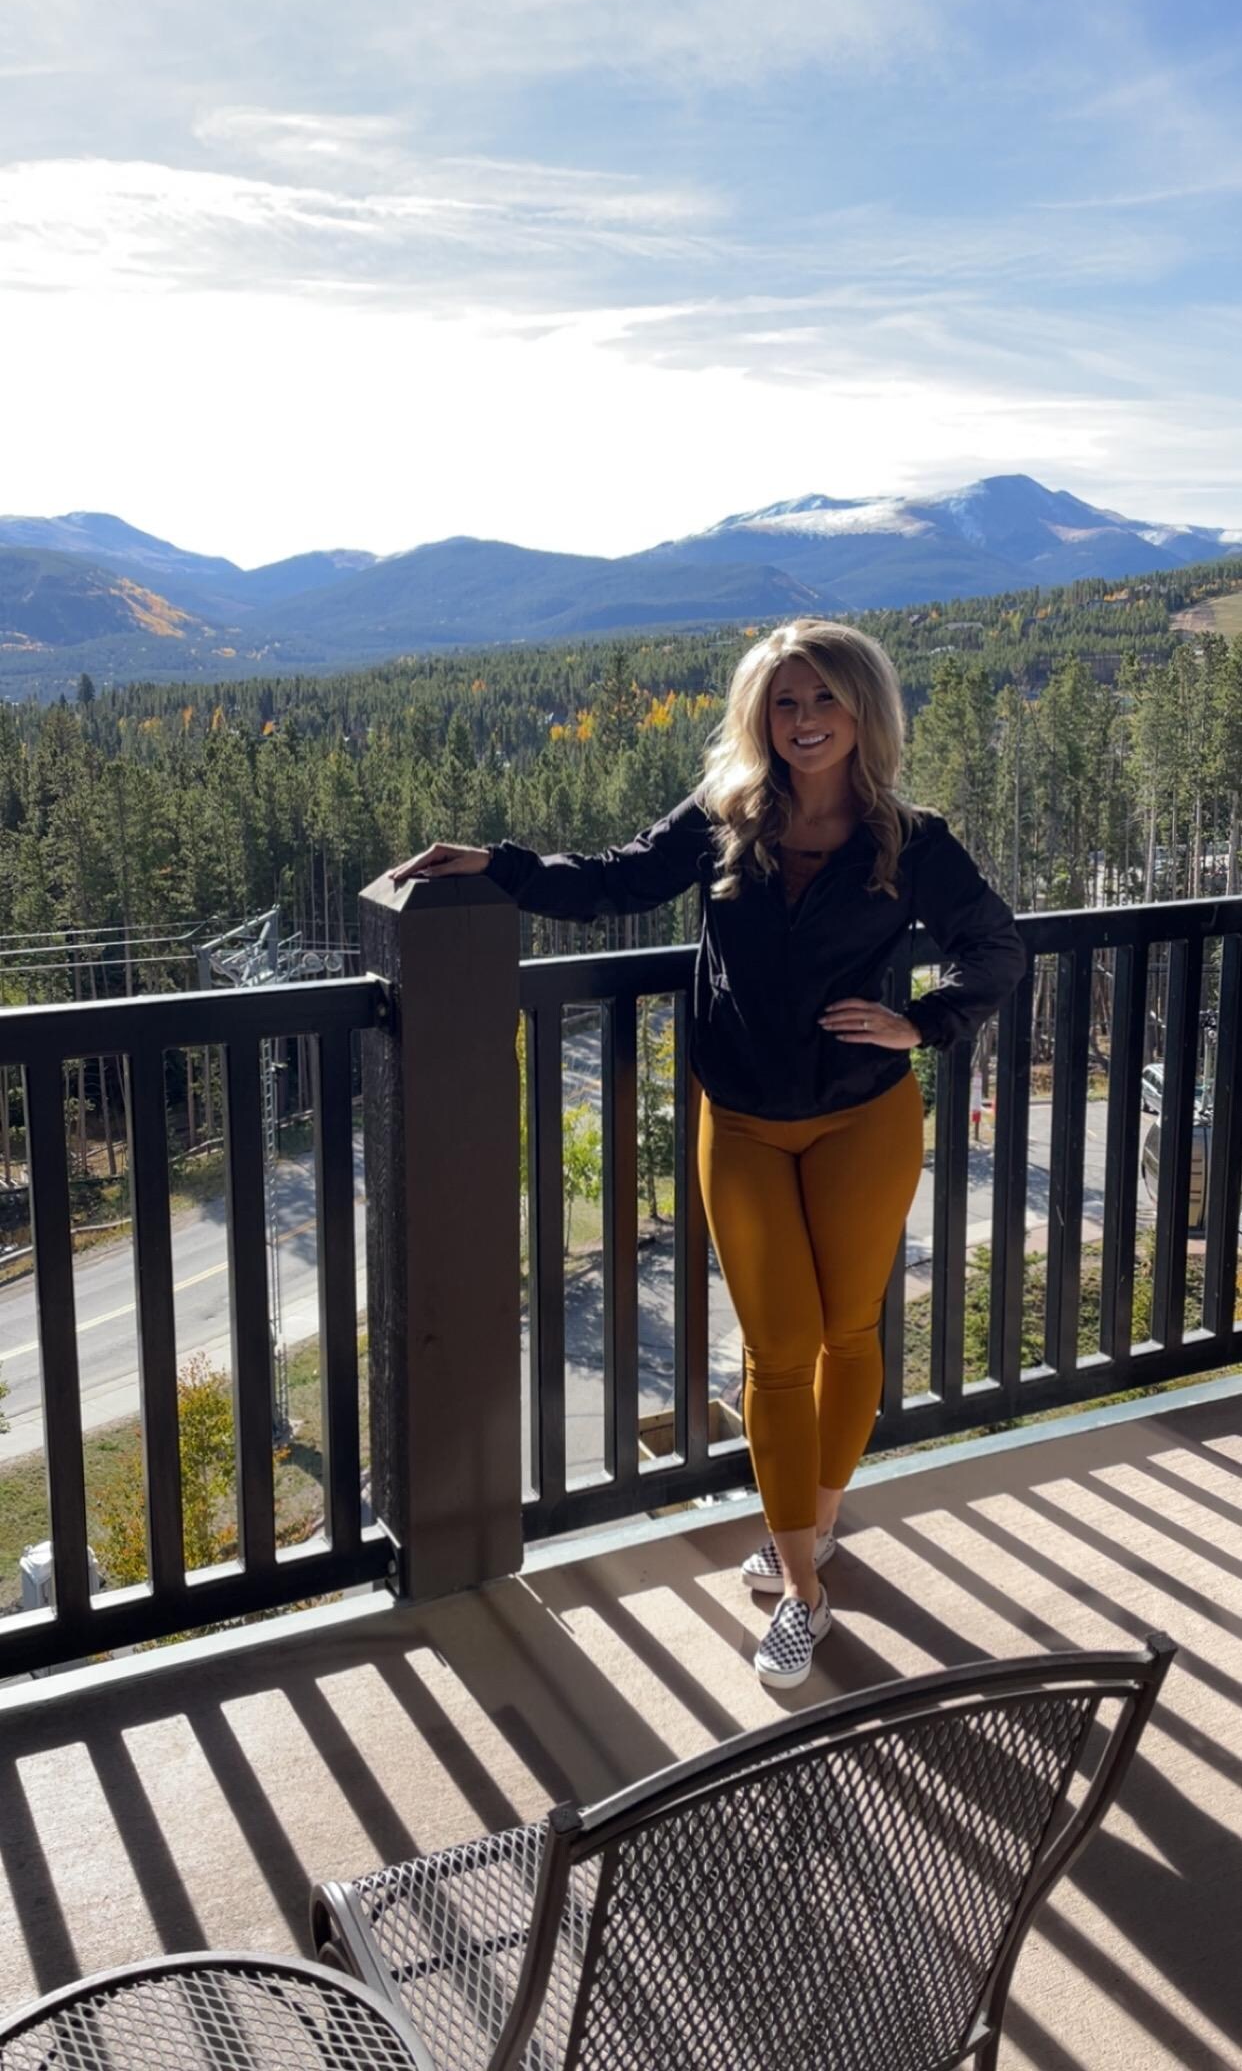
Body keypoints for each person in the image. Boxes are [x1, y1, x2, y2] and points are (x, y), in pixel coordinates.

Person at [387, 617, 1027, 1689]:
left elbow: (997, 948)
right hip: (740, 1120)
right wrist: (495, 866)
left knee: (849, 1331)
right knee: (776, 1351)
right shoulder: (727, 817)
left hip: (864, 1118)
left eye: (824, 699)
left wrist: (921, 1022)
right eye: (785, 702)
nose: (804, 720)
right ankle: (803, 1591)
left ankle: (812, 1526)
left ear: (863, 709)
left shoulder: (911, 842)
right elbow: (614, 880)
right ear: (759, 716)